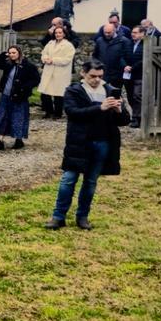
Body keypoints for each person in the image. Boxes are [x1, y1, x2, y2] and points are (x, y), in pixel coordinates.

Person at [47, 60, 131, 230]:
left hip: (103, 142)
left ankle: (82, 217)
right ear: (83, 74)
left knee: (91, 182)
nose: (96, 80)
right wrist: (100, 107)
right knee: (68, 180)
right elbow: (72, 112)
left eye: (100, 76)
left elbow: (124, 121)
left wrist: (118, 110)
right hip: (79, 142)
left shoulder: (109, 90)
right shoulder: (74, 90)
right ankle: (58, 216)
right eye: (93, 76)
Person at [0, 44, 40, 150]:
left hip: (20, 97)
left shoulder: (28, 66)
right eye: (10, 53)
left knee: (18, 118)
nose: (12, 55)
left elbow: (36, 80)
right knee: (3, 117)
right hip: (6, 95)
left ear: (19, 53)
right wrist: (4, 54)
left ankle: (19, 140)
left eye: (14, 53)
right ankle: (0, 141)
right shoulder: (8, 64)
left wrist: (24, 88)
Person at [39, 25, 76, 119]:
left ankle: (58, 113)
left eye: (60, 33)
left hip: (61, 72)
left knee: (58, 94)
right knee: (45, 92)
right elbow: (44, 53)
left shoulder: (68, 45)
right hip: (49, 71)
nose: (58, 34)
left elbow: (67, 59)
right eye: (56, 33)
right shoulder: (50, 43)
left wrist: (53, 60)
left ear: (64, 34)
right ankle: (48, 111)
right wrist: (45, 59)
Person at [125, 26, 145, 128]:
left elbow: (144, 60)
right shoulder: (128, 43)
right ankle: (135, 115)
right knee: (129, 96)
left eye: (135, 32)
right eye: (132, 32)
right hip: (128, 75)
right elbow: (122, 56)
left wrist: (132, 67)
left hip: (139, 74)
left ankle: (137, 118)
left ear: (142, 34)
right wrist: (125, 66)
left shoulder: (145, 45)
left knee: (137, 95)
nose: (133, 34)